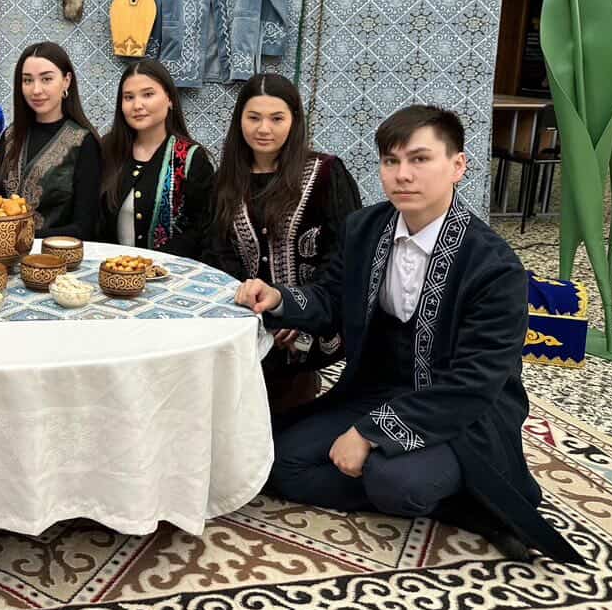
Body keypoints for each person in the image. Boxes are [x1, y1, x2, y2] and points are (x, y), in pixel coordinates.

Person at [236, 105, 580, 563]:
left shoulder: (493, 265)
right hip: (375, 390)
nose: (402, 175)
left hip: (462, 410)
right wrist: (280, 299)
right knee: (277, 461)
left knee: (395, 481)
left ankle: (449, 491)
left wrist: (370, 433)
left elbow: (476, 381)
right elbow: (332, 298)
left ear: (457, 165)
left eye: (420, 159)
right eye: (391, 161)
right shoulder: (365, 228)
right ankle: (454, 498)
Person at [203, 73, 361, 410]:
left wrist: (294, 309)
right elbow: (218, 252)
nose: (264, 129)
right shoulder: (226, 181)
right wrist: (257, 312)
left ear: (294, 121)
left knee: (290, 417)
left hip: (308, 330)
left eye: (277, 118)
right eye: (254, 117)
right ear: (239, 120)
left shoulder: (326, 173)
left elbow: (344, 254)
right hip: (245, 321)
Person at [99, 59, 213, 258]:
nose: (137, 105)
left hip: (170, 271)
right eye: (128, 97)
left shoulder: (190, 157)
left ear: (170, 99)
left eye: (148, 94)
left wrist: (153, 264)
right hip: (109, 269)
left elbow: (202, 229)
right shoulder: (108, 149)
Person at [0, 42, 101, 239]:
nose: (36, 90)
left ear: (66, 81)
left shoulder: (83, 142)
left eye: (46, 79)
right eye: (27, 80)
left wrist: (28, 237)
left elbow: (84, 227)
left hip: (56, 254)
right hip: (2, 252)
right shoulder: (10, 136)